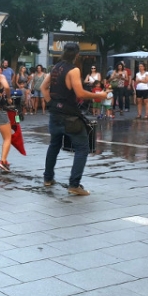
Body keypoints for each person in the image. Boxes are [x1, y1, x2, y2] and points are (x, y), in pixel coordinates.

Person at [41, 42, 107, 196]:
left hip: (54, 114)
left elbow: (43, 87)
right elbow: (80, 93)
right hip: (70, 115)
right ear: (77, 55)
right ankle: (74, 184)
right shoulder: (74, 70)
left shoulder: (55, 68)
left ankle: (48, 178)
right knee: (82, 148)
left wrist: (50, 103)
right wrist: (100, 95)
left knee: (54, 145)